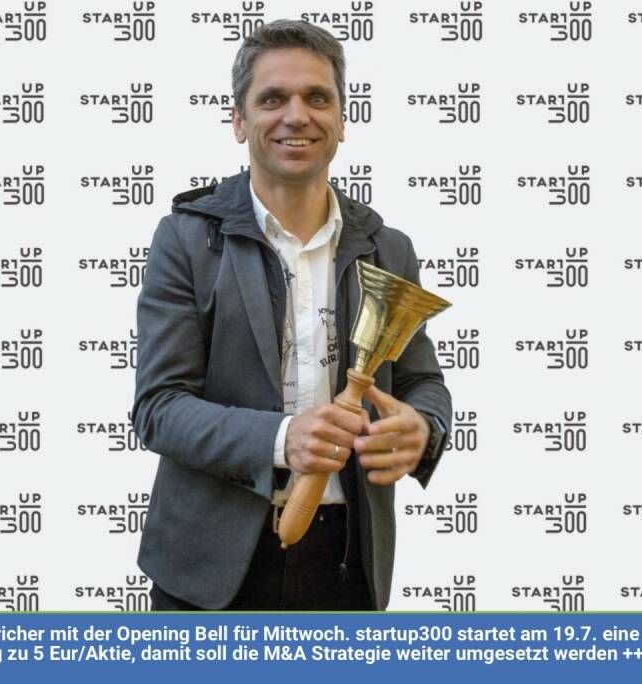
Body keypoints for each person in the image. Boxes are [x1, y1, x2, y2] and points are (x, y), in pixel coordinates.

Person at [132, 19, 451, 611]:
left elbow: (420, 382)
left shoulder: (389, 248)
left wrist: (424, 428)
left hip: (348, 566)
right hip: (206, 573)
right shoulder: (185, 240)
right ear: (238, 120)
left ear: (343, 121)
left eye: (318, 98)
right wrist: (282, 440)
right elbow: (159, 409)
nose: (296, 116)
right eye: (272, 99)